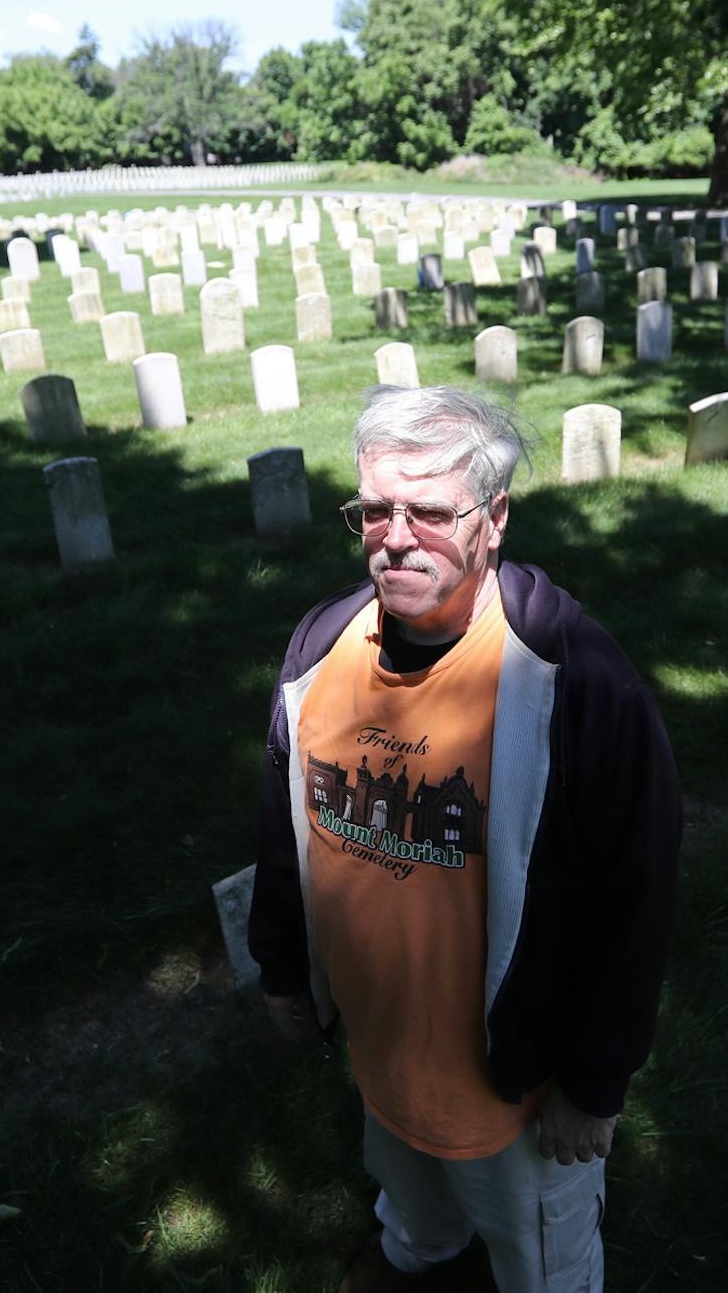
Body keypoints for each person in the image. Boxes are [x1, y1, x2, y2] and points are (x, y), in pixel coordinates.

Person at [249, 385, 682, 1292]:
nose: (396, 535)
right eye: (374, 508)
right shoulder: (320, 651)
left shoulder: (576, 685)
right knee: (410, 1205)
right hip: (382, 1048)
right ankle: (415, 1256)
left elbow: (632, 899)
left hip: (512, 1090)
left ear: (494, 520)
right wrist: (283, 967)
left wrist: (595, 1081)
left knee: (541, 1263)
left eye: (431, 511)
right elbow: (288, 831)